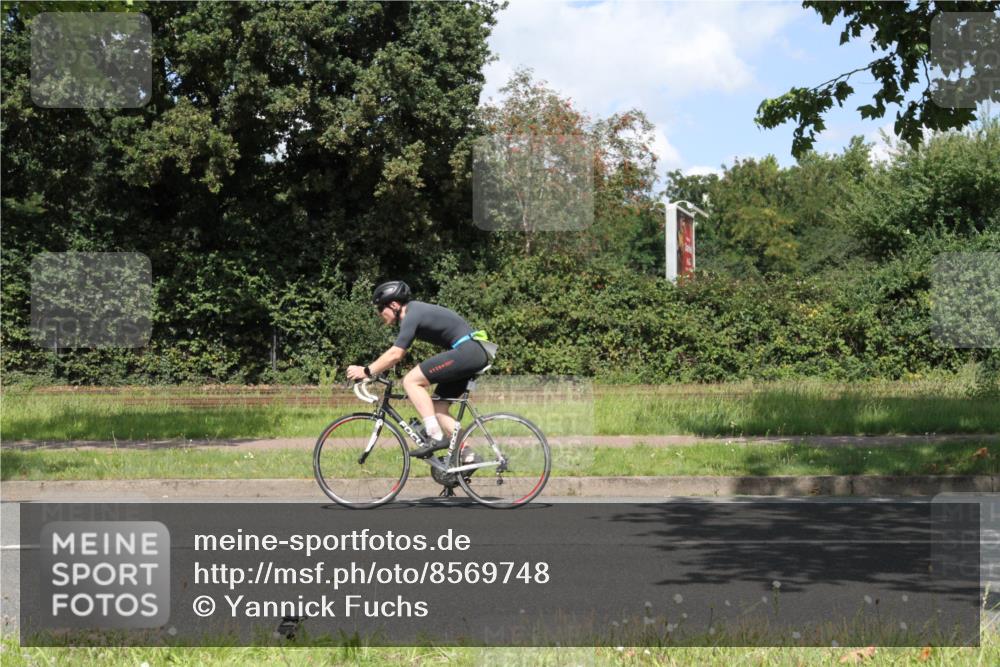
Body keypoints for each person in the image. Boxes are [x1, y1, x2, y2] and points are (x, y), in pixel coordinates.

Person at [345, 280, 491, 458]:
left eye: (380, 309)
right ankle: (468, 455)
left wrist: (366, 371)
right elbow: (396, 354)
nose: (379, 314)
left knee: (411, 381)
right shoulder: (414, 312)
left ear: (394, 305)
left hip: (469, 350)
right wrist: (377, 371)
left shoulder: (412, 314)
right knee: (438, 407)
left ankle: (435, 436)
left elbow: (395, 354)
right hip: (473, 351)